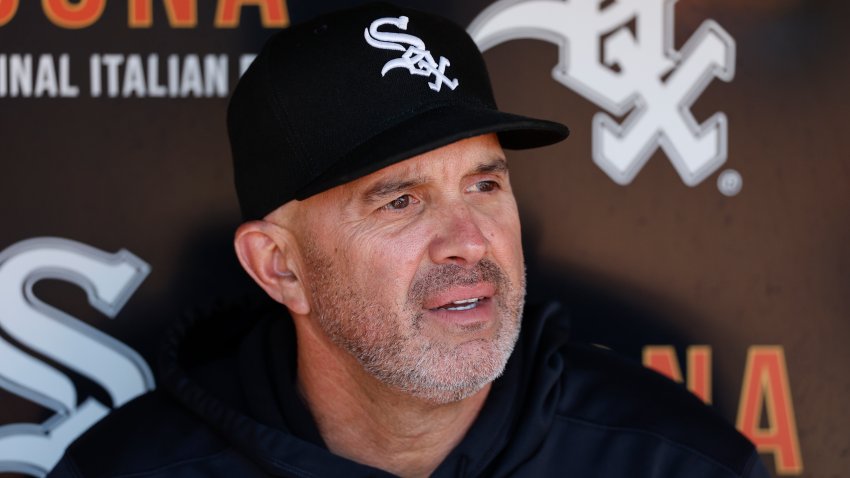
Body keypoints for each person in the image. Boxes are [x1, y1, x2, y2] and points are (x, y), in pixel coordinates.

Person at [49, 3, 769, 477]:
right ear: (279, 267)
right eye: (400, 200)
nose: (468, 241)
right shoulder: (132, 470)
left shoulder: (674, 462)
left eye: (484, 184)